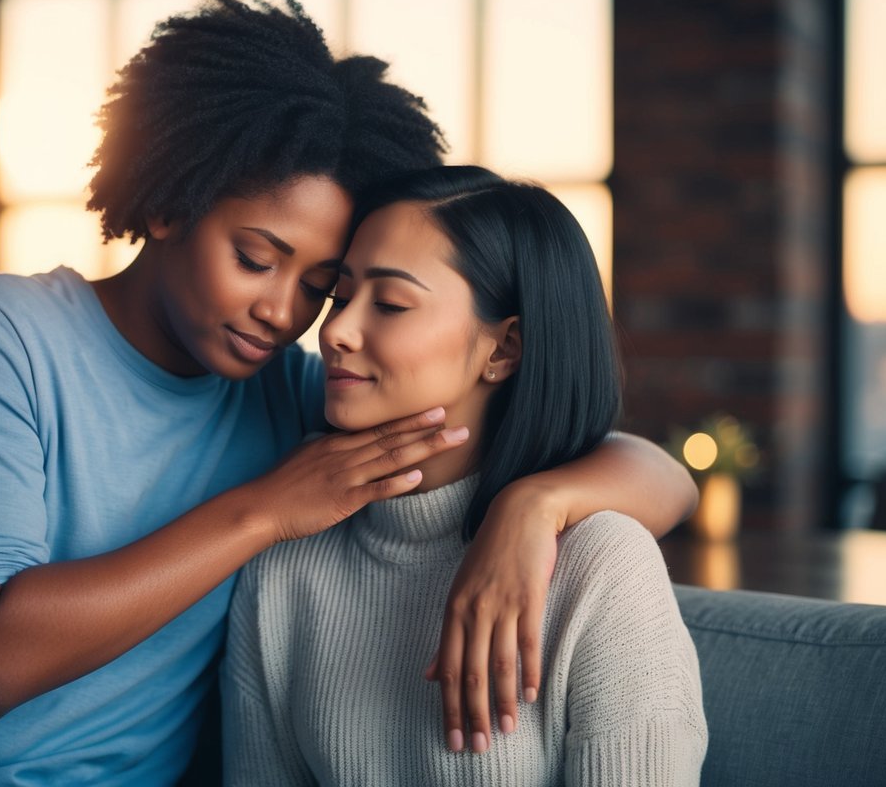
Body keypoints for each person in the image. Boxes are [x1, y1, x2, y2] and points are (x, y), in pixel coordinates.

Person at [0, 0, 695, 786]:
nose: (288, 313)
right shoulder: (2, 332)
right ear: (167, 204)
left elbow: (654, 472)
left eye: (318, 284)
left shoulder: (294, 392)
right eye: (257, 259)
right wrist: (264, 511)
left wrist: (531, 510)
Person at [222, 166, 708, 786]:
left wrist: (530, 506)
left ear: (504, 350)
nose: (335, 331)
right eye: (340, 297)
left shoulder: (600, 567)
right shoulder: (283, 572)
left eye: (391, 304)